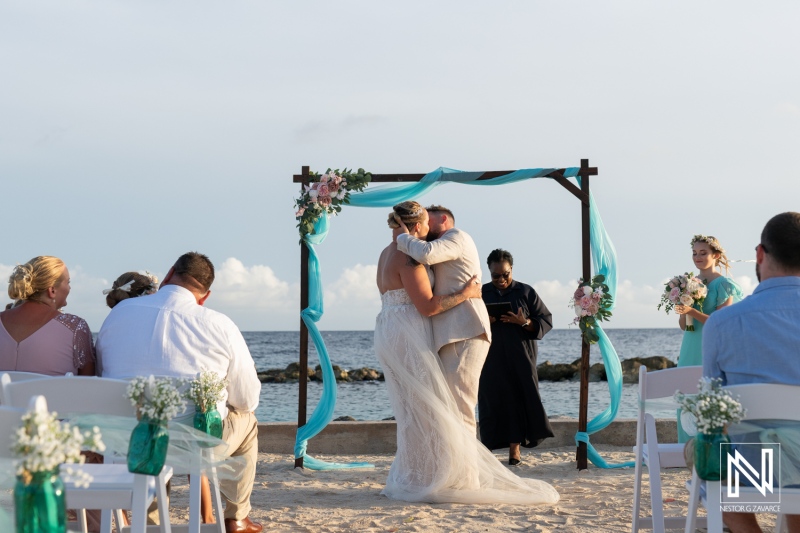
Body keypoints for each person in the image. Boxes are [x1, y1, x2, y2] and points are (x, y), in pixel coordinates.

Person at [375, 201, 559, 505]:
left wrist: (403, 236)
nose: (428, 233)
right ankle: (442, 475)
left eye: (430, 225)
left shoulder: (442, 241)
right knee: (431, 409)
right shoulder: (409, 255)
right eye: (423, 225)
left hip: (442, 331)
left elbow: (426, 263)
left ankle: (460, 477)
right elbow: (429, 304)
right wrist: (468, 293)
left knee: (443, 407)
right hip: (421, 332)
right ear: (415, 224)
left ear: (441, 219)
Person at [97, 252, 263, 533]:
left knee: (150, 425)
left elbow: (103, 375)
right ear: (205, 296)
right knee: (247, 421)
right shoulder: (220, 324)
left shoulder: (119, 314)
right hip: (194, 446)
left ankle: (146, 522)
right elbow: (247, 399)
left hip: (126, 441)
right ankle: (237, 517)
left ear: (169, 273)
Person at [703, 212, 800, 533]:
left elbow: (712, 410)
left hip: (754, 474)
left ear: (760, 254)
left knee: (708, 459)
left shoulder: (723, 323)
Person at [395, 204, 491, 435]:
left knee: (461, 408)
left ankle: (467, 471)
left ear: (445, 219)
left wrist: (402, 237)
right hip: (454, 332)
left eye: (430, 219)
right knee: (453, 408)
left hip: (464, 330)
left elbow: (426, 253)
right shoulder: (443, 244)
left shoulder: (457, 236)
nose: (425, 225)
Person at [478, 249, 554, 466]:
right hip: (490, 357)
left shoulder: (525, 292)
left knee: (519, 399)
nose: (501, 280)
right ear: (489, 272)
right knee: (490, 400)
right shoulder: (482, 293)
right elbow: (467, 322)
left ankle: (515, 449)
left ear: (512, 270)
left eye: (506, 274)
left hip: (521, 355)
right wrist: (486, 322)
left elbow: (546, 320)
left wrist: (524, 322)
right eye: (495, 275)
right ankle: (488, 451)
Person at [674, 235, 743, 441]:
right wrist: (683, 311)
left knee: (712, 396)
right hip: (690, 346)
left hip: (714, 347)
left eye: (703, 253)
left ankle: (712, 451)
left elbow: (720, 322)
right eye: (695, 253)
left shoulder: (725, 284)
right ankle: (686, 449)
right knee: (687, 394)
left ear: (716, 255)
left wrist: (692, 311)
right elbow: (684, 327)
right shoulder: (689, 284)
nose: (698, 257)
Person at [0, 256, 95, 376]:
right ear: (52, 291)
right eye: (68, 282)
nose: (69, 288)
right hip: (52, 395)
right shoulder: (75, 327)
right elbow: (88, 384)